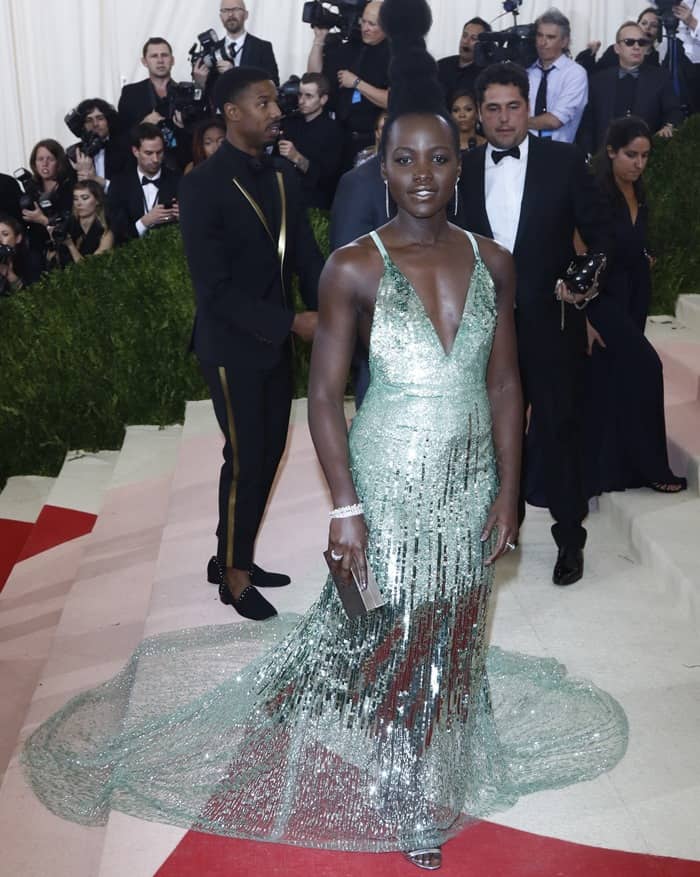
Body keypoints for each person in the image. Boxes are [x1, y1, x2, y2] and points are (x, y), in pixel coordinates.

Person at [20, 3, 628, 872]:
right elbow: (323, 394)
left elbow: (504, 382)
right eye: (404, 159)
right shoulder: (354, 265)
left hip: (467, 477)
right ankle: (402, 776)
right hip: (386, 472)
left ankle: (408, 733)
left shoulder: (494, 263)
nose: (422, 174)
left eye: (438, 158)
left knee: (456, 624)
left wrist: (507, 489)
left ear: (460, 163)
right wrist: (344, 505)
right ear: (382, 168)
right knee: (397, 630)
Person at [458, 62, 611, 587]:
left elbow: (600, 233)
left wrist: (584, 278)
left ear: (530, 107)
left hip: (552, 322)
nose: (504, 119)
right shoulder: (459, 169)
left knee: (560, 427)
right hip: (482, 331)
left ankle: (571, 535)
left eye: (513, 106)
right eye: (493, 109)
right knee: (489, 434)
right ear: (479, 115)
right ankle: (505, 525)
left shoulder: (565, 162)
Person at [178, 66, 322, 622]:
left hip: (275, 339)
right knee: (246, 458)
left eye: (275, 101)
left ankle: (232, 554)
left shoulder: (283, 175)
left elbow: (306, 257)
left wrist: (329, 307)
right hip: (229, 344)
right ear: (232, 113)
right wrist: (292, 323)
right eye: (263, 103)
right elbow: (214, 290)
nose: (276, 111)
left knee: (267, 453)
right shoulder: (201, 185)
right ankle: (233, 577)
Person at [584, 116, 685, 495]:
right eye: (631, 154)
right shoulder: (594, 192)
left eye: (645, 155)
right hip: (603, 298)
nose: (639, 163)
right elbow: (576, 250)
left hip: (634, 293)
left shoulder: (639, 191)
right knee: (647, 367)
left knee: (617, 378)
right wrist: (584, 316)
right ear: (611, 151)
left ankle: (615, 471)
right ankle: (653, 467)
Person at [577, 21, 683, 157]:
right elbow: (587, 123)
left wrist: (669, 126)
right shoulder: (598, 80)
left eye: (641, 42)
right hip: (605, 157)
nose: (636, 47)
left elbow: (674, 111)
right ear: (617, 48)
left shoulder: (660, 78)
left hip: (646, 158)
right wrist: (588, 154)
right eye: (629, 42)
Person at [307, 0, 390, 170]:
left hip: (370, 142)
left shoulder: (396, 55)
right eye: (363, 21)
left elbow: (392, 100)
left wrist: (357, 83)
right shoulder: (347, 48)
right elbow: (314, 79)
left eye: (372, 24)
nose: (365, 28)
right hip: (337, 136)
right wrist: (319, 40)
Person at [117, 38, 192, 170]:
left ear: (172, 60)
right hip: (140, 169)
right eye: (154, 56)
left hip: (180, 168)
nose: (160, 60)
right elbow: (119, 138)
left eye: (164, 55)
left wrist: (181, 127)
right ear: (144, 61)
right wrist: (143, 126)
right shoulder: (130, 93)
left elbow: (197, 137)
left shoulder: (188, 93)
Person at [277, 73, 344, 209]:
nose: (301, 101)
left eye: (309, 96)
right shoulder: (289, 122)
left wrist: (297, 157)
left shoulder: (333, 131)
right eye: (300, 95)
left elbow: (328, 178)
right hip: (284, 197)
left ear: (323, 99)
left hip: (314, 205)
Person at [107, 123, 181, 245]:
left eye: (159, 152)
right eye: (149, 153)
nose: (155, 159)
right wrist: (145, 222)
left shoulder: (178, 181)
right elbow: (117, 231)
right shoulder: (119, 184)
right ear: (135, 151)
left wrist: (183, 217)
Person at [194, 0, 279, 103]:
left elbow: (273, 86)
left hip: (251, 114)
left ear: (246, 15)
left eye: (235, 9)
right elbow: (204, 96)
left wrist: (235, 74)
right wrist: (200, 84)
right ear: (221, 16)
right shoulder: (212, 50)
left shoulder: (262, 48)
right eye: (225, 10)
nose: (230, 14)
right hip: (218, 116)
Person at [527, 8, 588, 143]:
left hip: (558, 152)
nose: (542, 43)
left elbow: (555, 121)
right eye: (539, 35)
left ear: (564, 41)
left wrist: (516, 123)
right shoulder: (527, 71)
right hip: (523, 150)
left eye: (550, 37)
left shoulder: (575, 73)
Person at [21, 139, 76, 270]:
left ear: (59, 162)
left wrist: (43, 220)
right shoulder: (31, 189)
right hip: (39, 250)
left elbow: (71, 222)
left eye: (50, 159)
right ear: (34, 163)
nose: (44, 163)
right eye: (40, 159)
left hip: (68, 246)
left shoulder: (69, 187)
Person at [67, 98, 129, 191]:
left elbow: (130, 188)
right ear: (83, 125)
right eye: (89, 120)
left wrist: (97, 180)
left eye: (100, 118)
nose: (95, 124)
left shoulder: (125, 149)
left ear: (108, 121)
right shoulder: (74, 153)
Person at [576, 7, 662, 73]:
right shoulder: (615, 50)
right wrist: (590, 54)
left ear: (659, 31)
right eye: (644, 23)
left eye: (653, 25)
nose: (647, 27)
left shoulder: (656, 59)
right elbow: (595, 74)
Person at [49, 180, 114, 267]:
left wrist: (71, 245)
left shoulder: (106, 233)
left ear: (97, 200)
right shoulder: (68, 224)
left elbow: (91, 268)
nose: (79, 204)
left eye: (84, 198)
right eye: (76, 199)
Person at [437, 16, 491, 102]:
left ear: (483, 45)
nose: (466, 41)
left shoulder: (485, 75)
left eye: (473, 38)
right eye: (464, 35)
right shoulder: (441, 65)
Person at [450, 89, 486, 154]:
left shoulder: (487, 145)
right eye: (456, 110)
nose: (462, 115)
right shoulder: (444, 145)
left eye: (468, 109)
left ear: (477, 113)